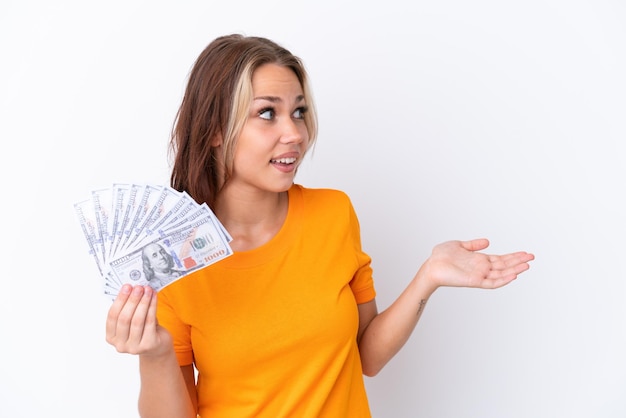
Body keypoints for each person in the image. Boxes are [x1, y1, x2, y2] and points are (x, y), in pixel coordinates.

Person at [105, 34, 535, 418]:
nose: (294, 133)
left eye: (299, 111)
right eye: (268, 114)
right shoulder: (173, 262)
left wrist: (428, 277)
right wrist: (157, 354)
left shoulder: (333, 214)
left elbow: (367, 355)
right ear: (216, 129)